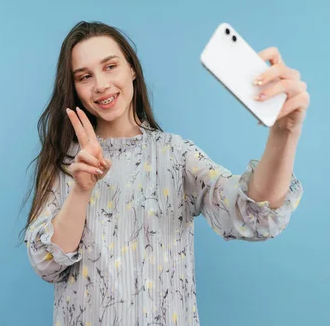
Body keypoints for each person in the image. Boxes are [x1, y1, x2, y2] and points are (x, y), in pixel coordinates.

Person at [21, 21, 309, 326]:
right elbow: (46, 264)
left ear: (132, 69)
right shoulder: (66, 163)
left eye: (110, 66)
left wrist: (284, 132)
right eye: (85, 76)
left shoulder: (176, 155)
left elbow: (251, 214)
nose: (101, 85)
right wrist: (81, 190)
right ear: (76, 89)